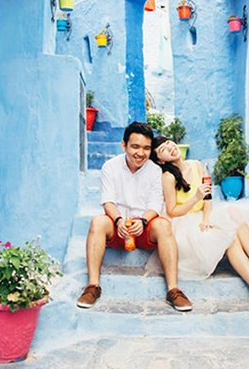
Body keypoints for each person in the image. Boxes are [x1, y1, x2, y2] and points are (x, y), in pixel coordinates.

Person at [150, 135, 249, 306]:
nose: (170, 147)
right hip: (182, 223)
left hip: (202, 215)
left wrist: (206, 218)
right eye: (163, 149)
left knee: (235, 214)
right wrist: (195, 198)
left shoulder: (197, 165)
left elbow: (207, 199)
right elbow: (172, 211)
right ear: (160, 161)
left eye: (169, 143)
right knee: (230, 238)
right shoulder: (168, 177)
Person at [76, 122, 193, 312]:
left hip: (143, 226)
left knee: (163, 226)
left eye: (147, 148)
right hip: (118, 226)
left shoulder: (155, 170)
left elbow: (156, 204)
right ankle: (92, 286)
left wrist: (143, 221)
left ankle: (174, 290)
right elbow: (108, 201)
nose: (141, 153)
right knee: (98, 222)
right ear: (124, 145)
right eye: (135, 146)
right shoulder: (110, 167)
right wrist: (118, 220)